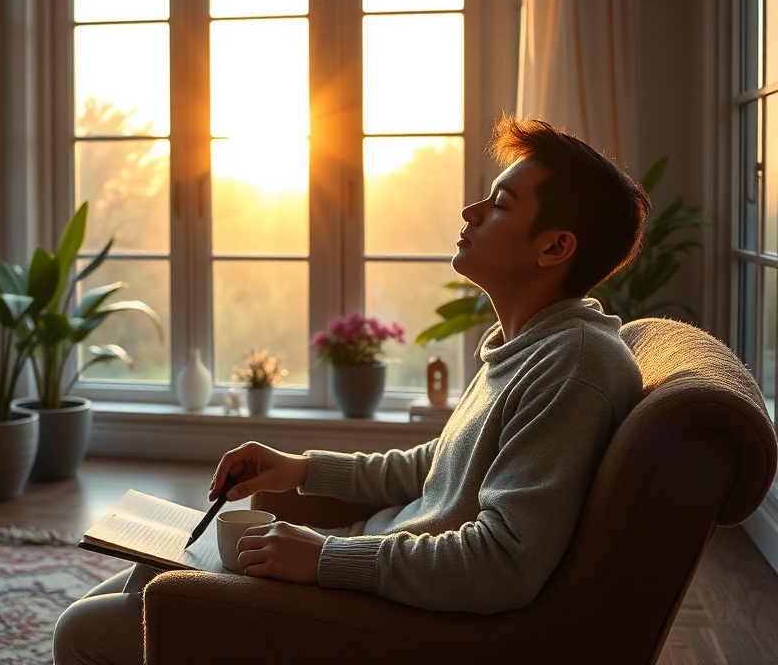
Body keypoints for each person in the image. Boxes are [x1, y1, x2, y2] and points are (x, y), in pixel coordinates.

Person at [52, 114, 651, 664]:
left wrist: (323, 559)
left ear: (554, 246)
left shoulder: (573, 367)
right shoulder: (528, 345)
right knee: (133, 581)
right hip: (370, 567)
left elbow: (503, 563)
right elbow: (440, 468)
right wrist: (300, 469)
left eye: (498, 204)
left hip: (386, 614)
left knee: (83, 633)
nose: (471, 212)